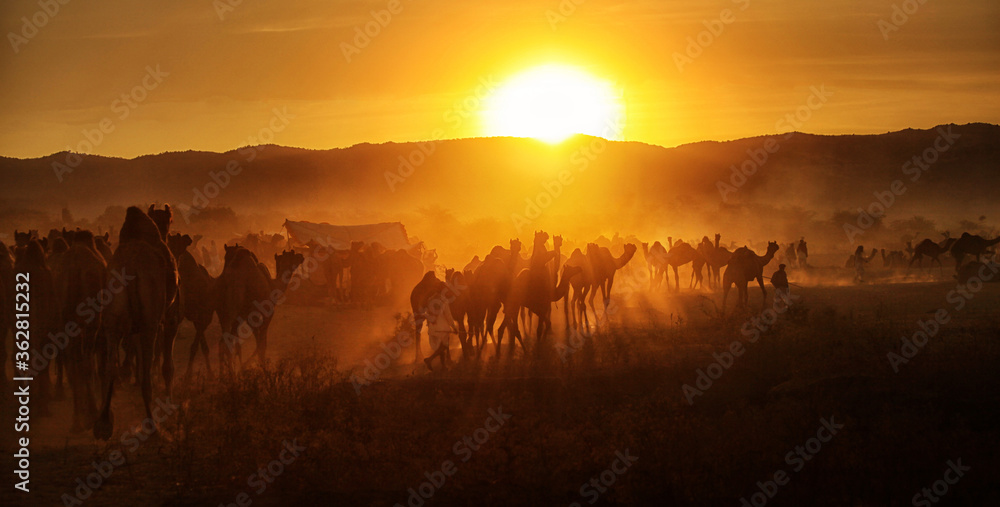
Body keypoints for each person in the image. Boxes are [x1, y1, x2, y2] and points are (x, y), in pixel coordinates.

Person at [424, 299, 458, 371]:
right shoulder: (444, 301)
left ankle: (443, 366)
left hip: (433, 328)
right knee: (444, 346)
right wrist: (454, 327)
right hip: (442, 328)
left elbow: (427, 315)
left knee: (441, 348)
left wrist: (429, 328)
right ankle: (430, 359)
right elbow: (448, 316)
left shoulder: (430, 301)